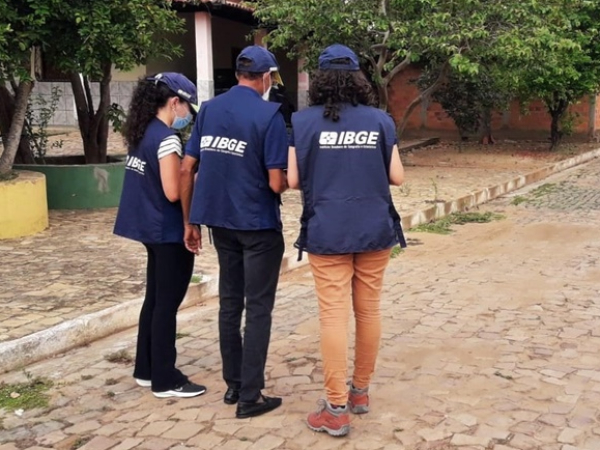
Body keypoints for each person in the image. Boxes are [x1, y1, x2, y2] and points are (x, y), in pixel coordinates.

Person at [287, 44, 406, 436]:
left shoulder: (302, 122)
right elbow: (397, 176)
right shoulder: (380, 121)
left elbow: (292, 180)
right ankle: (360, 392)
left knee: (333, 316)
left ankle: (335, 409)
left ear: (320, 80)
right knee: (368, 311)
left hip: (327, 230)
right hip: (374, 229)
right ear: (358, 78)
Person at [180, 45, 288, 419]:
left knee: (230, 303)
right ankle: (250, 397)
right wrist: (291, 179)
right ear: (265, 78)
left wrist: (189, 222)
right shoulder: (270, 115)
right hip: (258, 224)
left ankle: (234, 385)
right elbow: (275, 182)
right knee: (258, 308)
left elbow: (187, 168)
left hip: (219, 223)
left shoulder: (209, 110)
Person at [113, 72, 206, 399]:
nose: (187, 115)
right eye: (187, 108)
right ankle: (166, 378)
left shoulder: (141, 131)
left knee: (154, 299)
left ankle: (146, 368)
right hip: (167, 231)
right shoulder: (167, 139)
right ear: (175, 102)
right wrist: (195, 175)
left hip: (148, 228)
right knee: (166, 304)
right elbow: (172, 191)